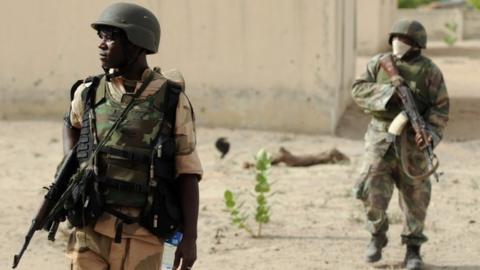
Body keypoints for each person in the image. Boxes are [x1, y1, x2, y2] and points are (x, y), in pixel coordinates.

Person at [62, 3, 202, 270]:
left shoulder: (171, 100)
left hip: (144, 235)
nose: (102, 45)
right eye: (100, 36)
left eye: (111, 37)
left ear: (137, 44)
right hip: (90, 231)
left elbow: (187, 171)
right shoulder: (89, 92)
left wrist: (190, 238)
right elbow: (71, 122)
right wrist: (72, 159)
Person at [351, 19, 449, 270]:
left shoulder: (430, 71)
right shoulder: (379, 63)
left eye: (404, 40)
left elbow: (440, 109)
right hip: (380, 139)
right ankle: (377, 235)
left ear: (417, 45)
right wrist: (388, 94)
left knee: (416, 197)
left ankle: (413, 250)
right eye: (395, 37)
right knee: (370, 188)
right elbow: (358, 90)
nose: (398, 43)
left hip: (413, 146)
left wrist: (429, 134)